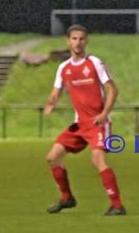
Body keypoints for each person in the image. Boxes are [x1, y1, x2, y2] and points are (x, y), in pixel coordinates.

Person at [44, 24, 126, 216]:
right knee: (52, 158)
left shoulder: (94, 63)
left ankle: (117, 205)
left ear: (86, 41)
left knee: (97, 159)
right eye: (74, 38)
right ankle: (67, 198)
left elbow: (112, 89)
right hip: (79, 124)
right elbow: (56, 91)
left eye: (81, 38)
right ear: (68, 41)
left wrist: (105, 113)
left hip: (98, 122)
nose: (78, 42)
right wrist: (51, 103)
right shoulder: (63, 68)